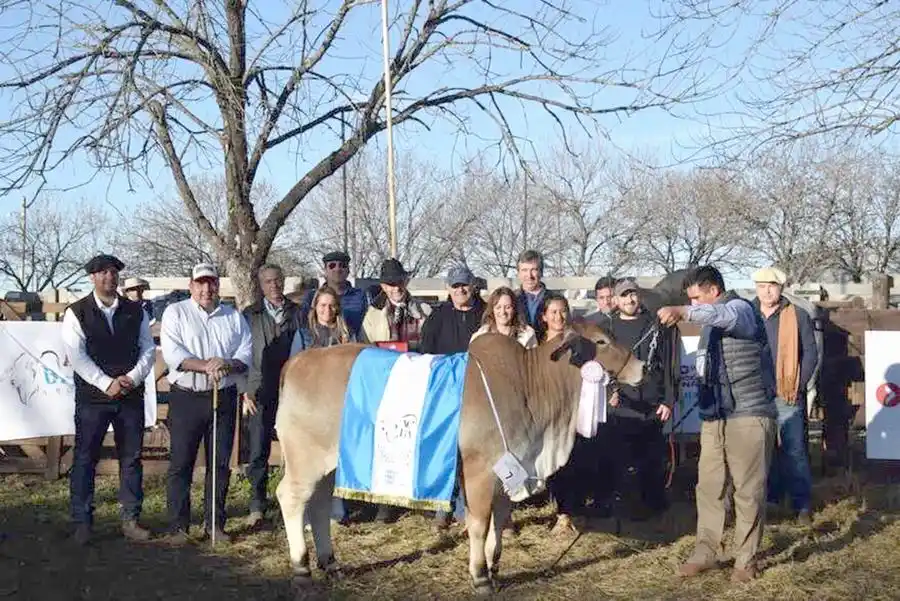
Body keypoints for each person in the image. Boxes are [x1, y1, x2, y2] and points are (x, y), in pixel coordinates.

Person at [657, 265, 777, 583]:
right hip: (716, 417)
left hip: (749, 415)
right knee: (708, 487)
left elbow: (723, 316)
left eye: (697, 298)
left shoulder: (741, 309)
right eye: (690, 300)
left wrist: (682, 311)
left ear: (713, 291)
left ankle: (745, 559)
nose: (694, 305)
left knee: (747, 491)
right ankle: (705, 552)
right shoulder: (710, 324)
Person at [62, 254, 157, 546]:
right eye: (102, 273)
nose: (109, 278)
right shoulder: (76, 312)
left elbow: (147, 348)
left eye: (113, 272)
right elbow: (76, 355)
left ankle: (130, 519)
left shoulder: (136, 311)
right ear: (92, 277)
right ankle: (83, 521)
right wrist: (106, 383)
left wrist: (132, 378)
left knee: (131, 459)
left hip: (129, 395)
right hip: (93, 399)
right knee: (85, 458)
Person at [160, 263, 252, 545]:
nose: (206, 289)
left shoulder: (233, 316)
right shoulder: (175, 312)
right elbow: (174, 352)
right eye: (200, 283)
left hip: (222, 395)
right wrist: (204, 366)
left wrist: (226, 363)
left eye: (211, 283)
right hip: (187, 395)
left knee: (220, 463)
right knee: (181, 463)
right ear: (191, 286)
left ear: (217, 286)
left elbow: (245, 353)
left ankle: (215, 524)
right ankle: (179, 526)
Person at [420, 264, 485, 528]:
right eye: (455, 286)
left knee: (472, 451)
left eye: (464, 285)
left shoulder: (484, 314)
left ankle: (466, 507)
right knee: (445, 449)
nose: (460, 290)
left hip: (478, 391)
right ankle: (442, 505)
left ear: (473, 286)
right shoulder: (437, 317)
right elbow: (426, 353)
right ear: (448, 289)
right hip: (445, 391)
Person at [751, 266, 817, 525]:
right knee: (762, 449)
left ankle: (802, 504)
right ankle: (771, 500)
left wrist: (799, 385)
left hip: (788, 391)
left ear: (781, 288)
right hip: (755, 392)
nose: (767, 291)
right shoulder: (747, 314)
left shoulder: (797, 315)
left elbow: (810, 352)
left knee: (794, 448)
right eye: (762, 286)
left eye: (772, 285)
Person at [602, 278, 672, 520]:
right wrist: (610, 393)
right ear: (616, 300)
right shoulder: (607, 329)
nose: (630, 300)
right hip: (622, 402)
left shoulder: (656, 325)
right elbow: (602, 367)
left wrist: (669, 400)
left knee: (652, 459)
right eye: (624, 296)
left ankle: (654, 507)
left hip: (652, 401)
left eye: (633, 295)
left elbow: (669, 363)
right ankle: (621, 506)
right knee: (619, 458)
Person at [241, 263, 303, 528]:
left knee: (296, 448)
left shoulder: (299, 313)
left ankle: (295, 502)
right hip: (259, 390)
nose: (274, 286)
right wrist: (245, 391)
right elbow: (240, 352)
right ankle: (257, 504)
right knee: (258, 448)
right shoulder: (249, 315)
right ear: (260, 285)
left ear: (284, 281)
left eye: (278, 280)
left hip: (293, 389)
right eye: (268, 282)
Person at [540, 293, 591, 534]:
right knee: (552, 464)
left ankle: (567, 514)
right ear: (544, 317)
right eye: (553, 312)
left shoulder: (578, 343)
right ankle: (557, 507)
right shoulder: (537, 346)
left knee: (571, 461)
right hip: (546, 411)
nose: (559, 317)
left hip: (572, 409)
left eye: (563, 311)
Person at [360, 258, 432, 353]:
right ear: (384, 287)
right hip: (386, 365)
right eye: (392, 284)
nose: (397, 288)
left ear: (406, 282)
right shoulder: (372, 315)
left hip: (416, 364)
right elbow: (366, 348)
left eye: (400, 282)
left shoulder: (425, 310)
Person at [300, 250, 368, 338]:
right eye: (332, 266)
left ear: (348, 270)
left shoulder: (361, 296)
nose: (337, 269)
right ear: (325, 270)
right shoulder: (312, 296)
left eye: (342, 265)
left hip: (352, 346)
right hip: (318, 346)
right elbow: (304, 325)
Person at [471, 286, 538, 348]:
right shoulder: (480, 336)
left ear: (514, 309)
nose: (503, 312)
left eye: (507, 307)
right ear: (492, 310)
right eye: (498, 307)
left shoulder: (528, 335)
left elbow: (533, 360)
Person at [514, 250, 551, 340]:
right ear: (518, 273)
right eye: (524, 270)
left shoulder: (555, 299)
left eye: (534, 270)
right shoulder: (511, 298)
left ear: (541, 272)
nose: (529, 275)